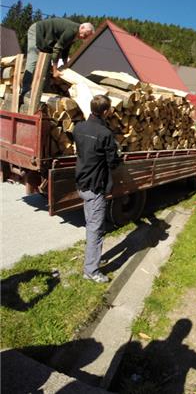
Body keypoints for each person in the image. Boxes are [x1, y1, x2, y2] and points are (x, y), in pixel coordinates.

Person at [73, 95, 121, 283]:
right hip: (95, 186)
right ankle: (91, 270)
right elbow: (112, 162)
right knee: (96, 229)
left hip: (81, 182)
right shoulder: (105, 134)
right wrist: (118, 156)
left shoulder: (79, 127)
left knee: (90, 223)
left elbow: (82, 151)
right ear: (106, 111)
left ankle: (91, 258)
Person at [21, 18, 95, 102]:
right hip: (38, 31)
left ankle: (45, 89)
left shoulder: (75, 35)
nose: (82, 37)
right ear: (81, 28)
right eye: (84, 34)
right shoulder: (72, 30)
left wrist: (65, 63)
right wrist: (55, 70)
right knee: (33, 58)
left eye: (85, 37)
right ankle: (25, 90)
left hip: (47, 40)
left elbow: (65, 48)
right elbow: (57, 48)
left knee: (47, 64)